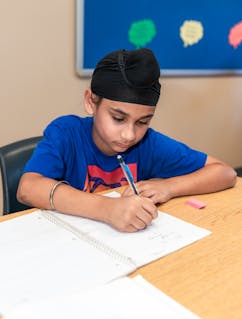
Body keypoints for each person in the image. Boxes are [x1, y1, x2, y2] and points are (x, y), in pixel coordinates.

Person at [17, 48, 237, 232]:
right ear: (91, 102)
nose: (129, 135)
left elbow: (225, 173)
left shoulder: (148, 143)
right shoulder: (66, 133)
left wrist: (169, 187)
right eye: (118, 118)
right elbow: (28, 188)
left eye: (142, 122)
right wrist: (107, 209)